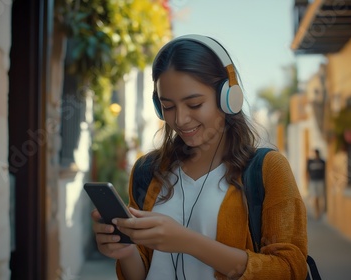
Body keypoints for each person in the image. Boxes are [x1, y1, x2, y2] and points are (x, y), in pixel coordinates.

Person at [91, 34, 308, 279]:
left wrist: (188, 242)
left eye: (194, 104)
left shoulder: (267, 170)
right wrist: (126, 251)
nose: (180, 119)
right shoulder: (147, 171)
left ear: (228, 97)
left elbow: (291, 270)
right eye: (168, 106)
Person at [306, 149, 326, 220]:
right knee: (315, 197)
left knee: (320, 197)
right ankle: (316, 212)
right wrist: (307, 182)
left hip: (320, 181)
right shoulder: (310, 162)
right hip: (313, 181)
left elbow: (324, 173)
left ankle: (319, 211)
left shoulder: (322, 162)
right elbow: (307, 172)